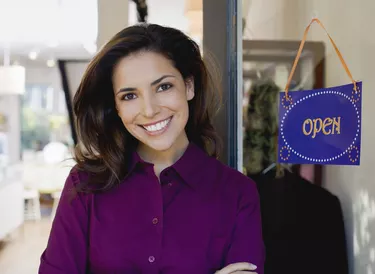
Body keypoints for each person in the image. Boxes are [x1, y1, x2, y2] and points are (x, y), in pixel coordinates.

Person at [39, 23, 264, 274]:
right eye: (129, 96)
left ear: (188, 85)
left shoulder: (237, 193)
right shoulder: (84, 186)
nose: (149, 110)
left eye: (163, 87)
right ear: (116, 106)